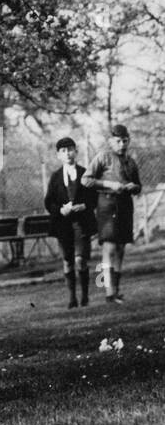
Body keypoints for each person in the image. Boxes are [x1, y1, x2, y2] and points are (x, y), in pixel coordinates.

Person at [87, 124, 143, 304]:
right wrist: (109, 185)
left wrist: (134, 187)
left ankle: (116, 291)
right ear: (110, 141)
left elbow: (138, 185)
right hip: (107, 205)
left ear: (129, 141)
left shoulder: (131, 161)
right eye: (117, 141)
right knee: (109, 248)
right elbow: (86, 179)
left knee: (120, 248)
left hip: (125, 205)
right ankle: (108, 292)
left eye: (125, 141)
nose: (121, 144)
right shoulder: (102, 158)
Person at [43, 136, 97, 309]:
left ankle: (85, 297)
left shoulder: (85, 173)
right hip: (63, 225)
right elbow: (49, 201)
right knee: (67, 261)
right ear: (58, 155)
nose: (68, 154)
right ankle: (72, 298)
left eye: (70, 150)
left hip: (81, 223)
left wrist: (85, 206)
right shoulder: (56, 177)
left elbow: (94, 196)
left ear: (76, 151)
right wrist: (60, 210)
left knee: (81, 259)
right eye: (63, 151)